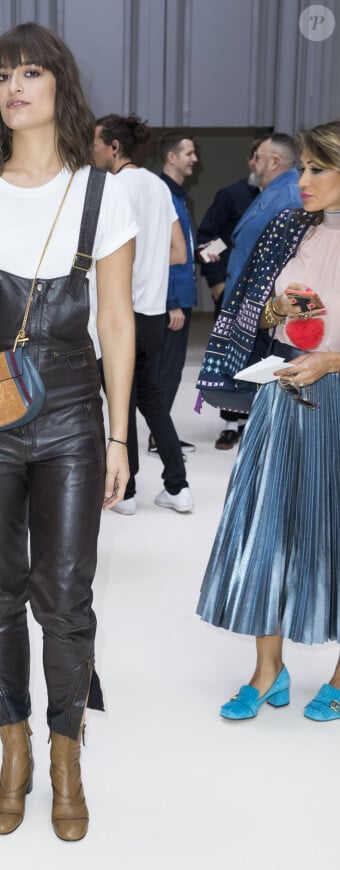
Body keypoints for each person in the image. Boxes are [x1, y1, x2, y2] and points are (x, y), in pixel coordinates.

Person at [0, 23, 136, 839]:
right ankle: (12, 750)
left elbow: (116, 322)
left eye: (32, 72)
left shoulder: (102, 192)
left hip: (76, 416)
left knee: (67, 595)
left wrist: (121, 437)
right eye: (3, 75)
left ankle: (66, 756)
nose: (17, 86)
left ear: (59, 86)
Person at [197, 120, 340, 724]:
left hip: (334, 393)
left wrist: (332, 358)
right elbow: (253, 315)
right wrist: (273, 311)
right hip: (282, 394)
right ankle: (268, 670)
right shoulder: (290, 228)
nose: (299, 180)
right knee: (266, 526)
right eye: (300, 167)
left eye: (315, 169)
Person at [94, 113, 193, 514]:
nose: (91, 149)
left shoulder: (110, 189)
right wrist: (148, 269)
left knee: (120, 401)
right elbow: (179, 253)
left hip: (120, 314)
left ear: (114, 146)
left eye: (96, 142)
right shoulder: (158, 186)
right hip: (152, 316)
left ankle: (127, 492)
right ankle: (178, 487)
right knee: (152, 401)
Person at [199, 133, 301, 449]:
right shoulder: (251, 193)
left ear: (274, 161)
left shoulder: (289, 197)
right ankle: (239, 427)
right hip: (243, 302)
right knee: (242, 378)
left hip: (266, 311)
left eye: (257, 156)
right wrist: (217, 279)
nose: (251, 162)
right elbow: (218, 240)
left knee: (259, 381)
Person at [196, 140, 260, 449]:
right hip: (232, 290)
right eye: (258, 156)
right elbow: (207, 239)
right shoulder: (232, 196)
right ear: (251, 160)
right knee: (229, 356)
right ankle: (229, 423)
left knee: (258, 356)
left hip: (266, 297)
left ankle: (253, 421)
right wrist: (217, 282)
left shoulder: (285, 197)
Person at [157, 130, 199, 452]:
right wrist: (171, 302)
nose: (194, 159)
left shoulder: (178, 196)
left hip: (181, 294)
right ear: (172, 157)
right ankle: (160, 438)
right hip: (173, 299)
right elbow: (161, 252)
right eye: (189, 153)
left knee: (171, 370)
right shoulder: (163, 195)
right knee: (167, 371)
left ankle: (162, 435)